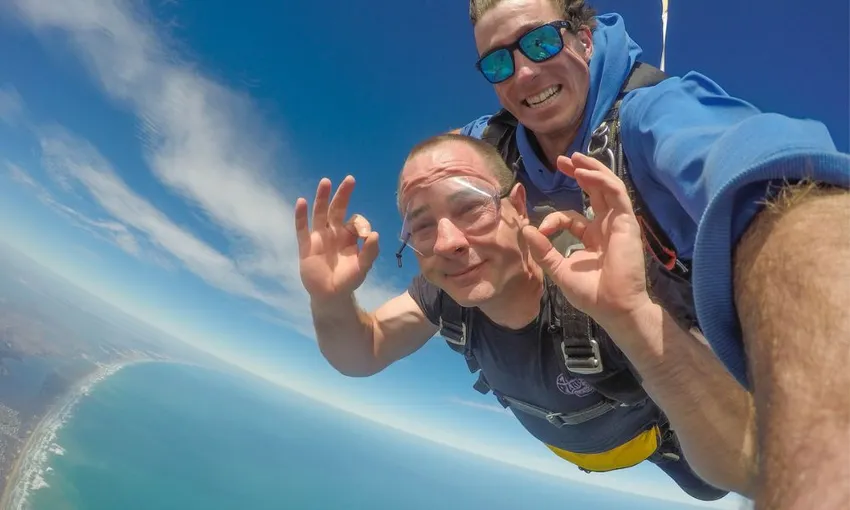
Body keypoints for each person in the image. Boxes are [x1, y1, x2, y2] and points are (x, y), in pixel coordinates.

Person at [453, 1, 850, 508]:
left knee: (711, 481)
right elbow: (438, 167)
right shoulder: (493, 145)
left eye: (539, 41)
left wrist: (827, 458)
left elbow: (771, 183)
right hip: (601, 389)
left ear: (585, 38)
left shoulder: (651, 117)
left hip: (677, 388)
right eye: (497, 63)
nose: (524, 73)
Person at [295, 133, 757, 502]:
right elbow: (364, 351)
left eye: (471, 207)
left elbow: (746, 455)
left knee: (710, 487)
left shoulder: (595, 287)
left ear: (518, 206)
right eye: (422, 225)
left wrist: (633, 315)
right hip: (578, 441)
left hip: (657, 439)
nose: (448, 242)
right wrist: (330, 299)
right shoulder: (444, 298)